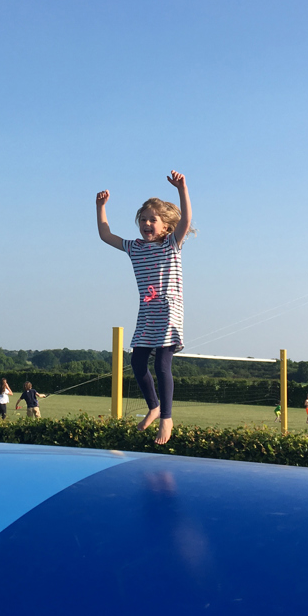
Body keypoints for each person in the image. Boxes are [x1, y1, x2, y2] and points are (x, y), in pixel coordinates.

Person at [96, 170, 193, 445]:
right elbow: (105, 235)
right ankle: (153, 406)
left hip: (169, 309)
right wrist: (100, 207)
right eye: (143, 220)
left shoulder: (172, 245)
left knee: (162, 363)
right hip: (148, 311)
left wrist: (182, 188)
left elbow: (186, 219)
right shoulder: (135, 248)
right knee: (137, 361)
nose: (147, 223)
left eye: (153, 220)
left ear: (165, 226)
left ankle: (166, 418)